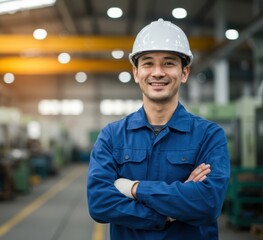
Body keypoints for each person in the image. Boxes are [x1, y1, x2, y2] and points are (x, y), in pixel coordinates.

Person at [87, 18, 230, 240]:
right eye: (147, 63)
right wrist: (168, 214)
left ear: (184, 73)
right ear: (136, 73)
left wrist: (133, 189)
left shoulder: (209, 136)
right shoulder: (112, 136)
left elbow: (207, 203)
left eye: (169, 63)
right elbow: (99, 203)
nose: (158, 72)